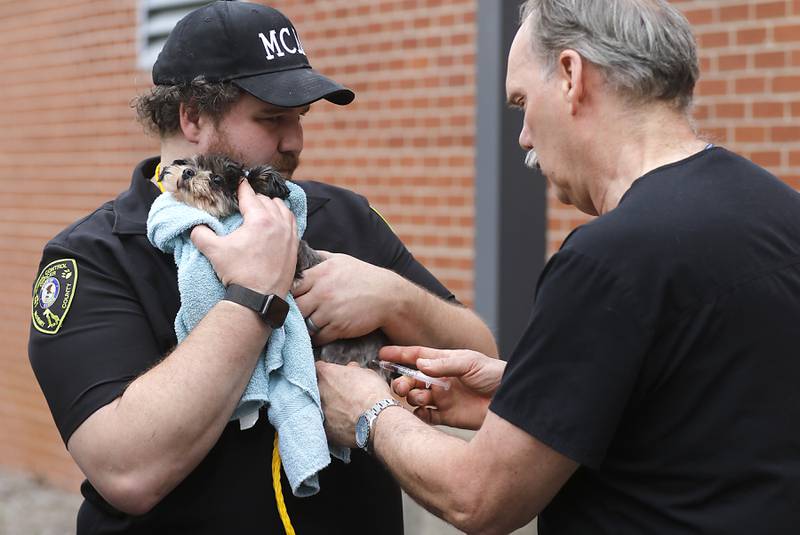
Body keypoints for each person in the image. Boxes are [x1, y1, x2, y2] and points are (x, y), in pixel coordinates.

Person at [315, 1, 800, 533]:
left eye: (522, 101)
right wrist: (533, 393)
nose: (523, 135)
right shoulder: (780, 212)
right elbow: (708, 402)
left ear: (571, 75)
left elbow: (478, 498)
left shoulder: (609, 259)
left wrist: (369, 411)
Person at [27, 2, 497, 533]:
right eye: (272, 118)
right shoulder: (94, 254)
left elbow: (482, 364)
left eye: (300, 118)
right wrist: (253, 292)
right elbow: (127, 471)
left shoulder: (340, 216)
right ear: (192, 116)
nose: (294, 141)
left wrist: (394, 297)